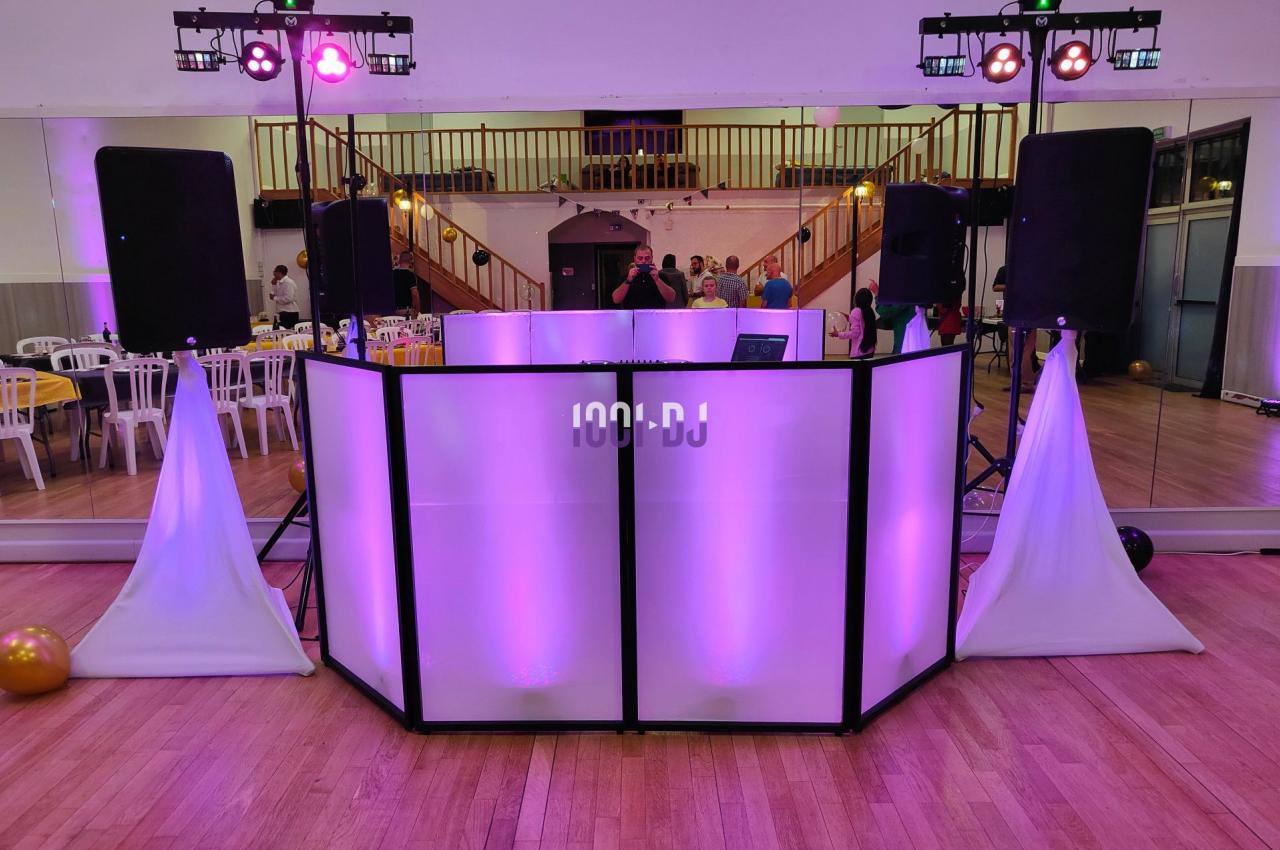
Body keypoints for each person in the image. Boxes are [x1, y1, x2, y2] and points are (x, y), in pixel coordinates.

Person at [992, 265, 1037, 392]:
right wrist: (1013, 286)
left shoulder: (1031, 269)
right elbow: (995, 287)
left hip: (1030, 313)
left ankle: (1027, 383)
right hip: (1013, 312)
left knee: (1026, 350)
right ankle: (1016, 381)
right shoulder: (1005, 269)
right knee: (1013, 350)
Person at [612, 244, 676, 309]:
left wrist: (657, 280)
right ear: (634, 259)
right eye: (640, 258)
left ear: (652, 258)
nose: (643, 261)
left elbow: (671, 298)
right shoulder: (626, 277)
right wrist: (628, 281)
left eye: (647, 258)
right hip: (634, 317)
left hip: (655, 317)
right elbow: (616, 300)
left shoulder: (661, 276)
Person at [868, 278, 913, 354]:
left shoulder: (906, 293)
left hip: (905, 345)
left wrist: (877, 294)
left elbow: (887, 311)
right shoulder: (912, 288)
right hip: (909, 343)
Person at [830, 287, 876, 359]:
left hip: (859, 352)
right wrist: (847, 317)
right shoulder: (870, 311)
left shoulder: (856, 311)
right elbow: (861, 322)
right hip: (869, 350)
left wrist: (838, 334)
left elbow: (855, 333)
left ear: (857, 299)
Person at [392, 250, 422, 316]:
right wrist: (417, 310)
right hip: (406, 312)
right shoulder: (410, 275)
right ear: (410, 261)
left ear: (399, 260)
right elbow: (414, 293)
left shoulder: (392, 274)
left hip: (393, 312)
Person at [269, 264, 299, 328]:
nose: (273, 273)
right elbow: (272, 295)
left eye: (274, 271)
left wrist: (274, 298)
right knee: (282, 332)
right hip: (283, 312)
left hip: (289, 313)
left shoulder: (288, 282)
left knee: (288, 333)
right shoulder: (279, 282)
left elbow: (288, 299)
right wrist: (273, 285)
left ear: (279, 272)